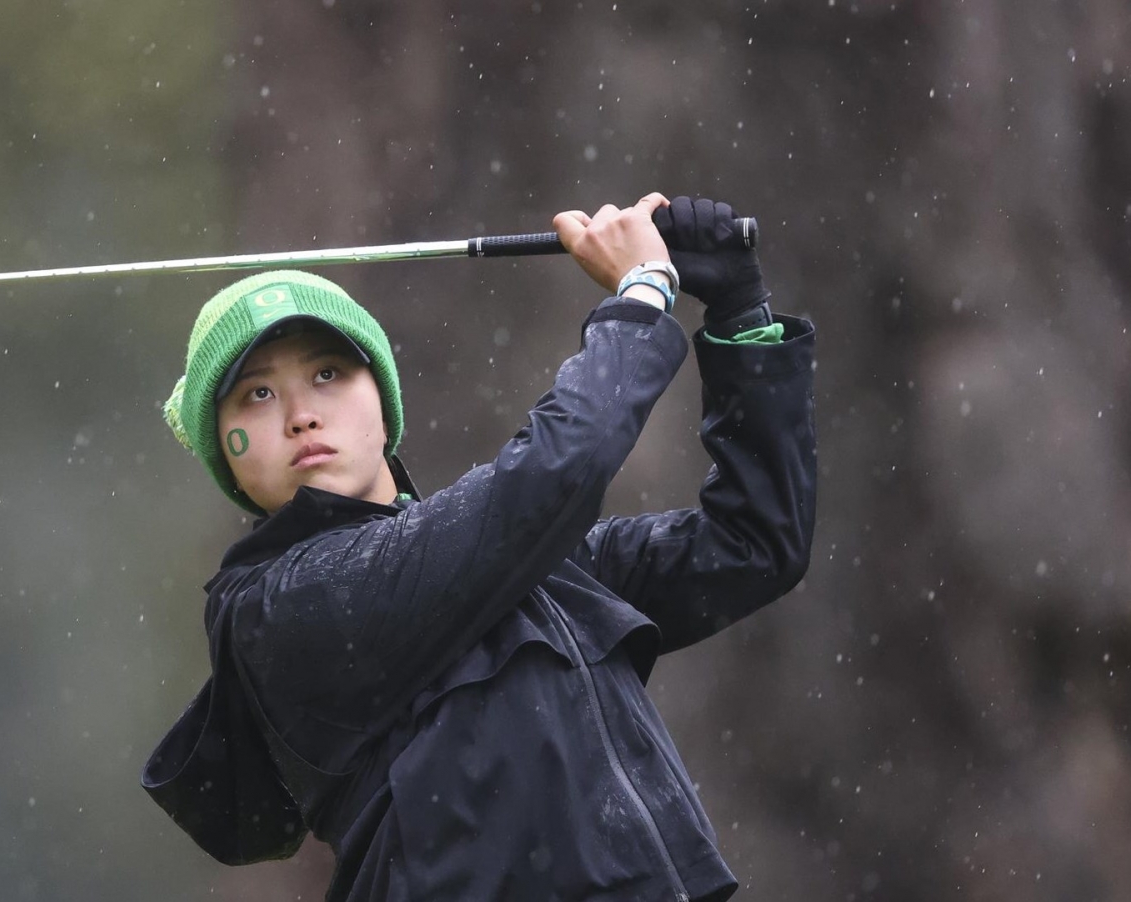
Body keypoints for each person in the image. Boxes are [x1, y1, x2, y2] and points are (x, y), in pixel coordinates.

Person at [143, 194, 817, 901]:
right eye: (255, 395)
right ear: (224, 448)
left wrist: (741, 315)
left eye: (327, 374)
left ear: (382, 396)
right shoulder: (278, 605)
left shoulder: (521, 563)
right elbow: (552, 476)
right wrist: (641, 295)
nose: (301, 413)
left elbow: (752, 544)